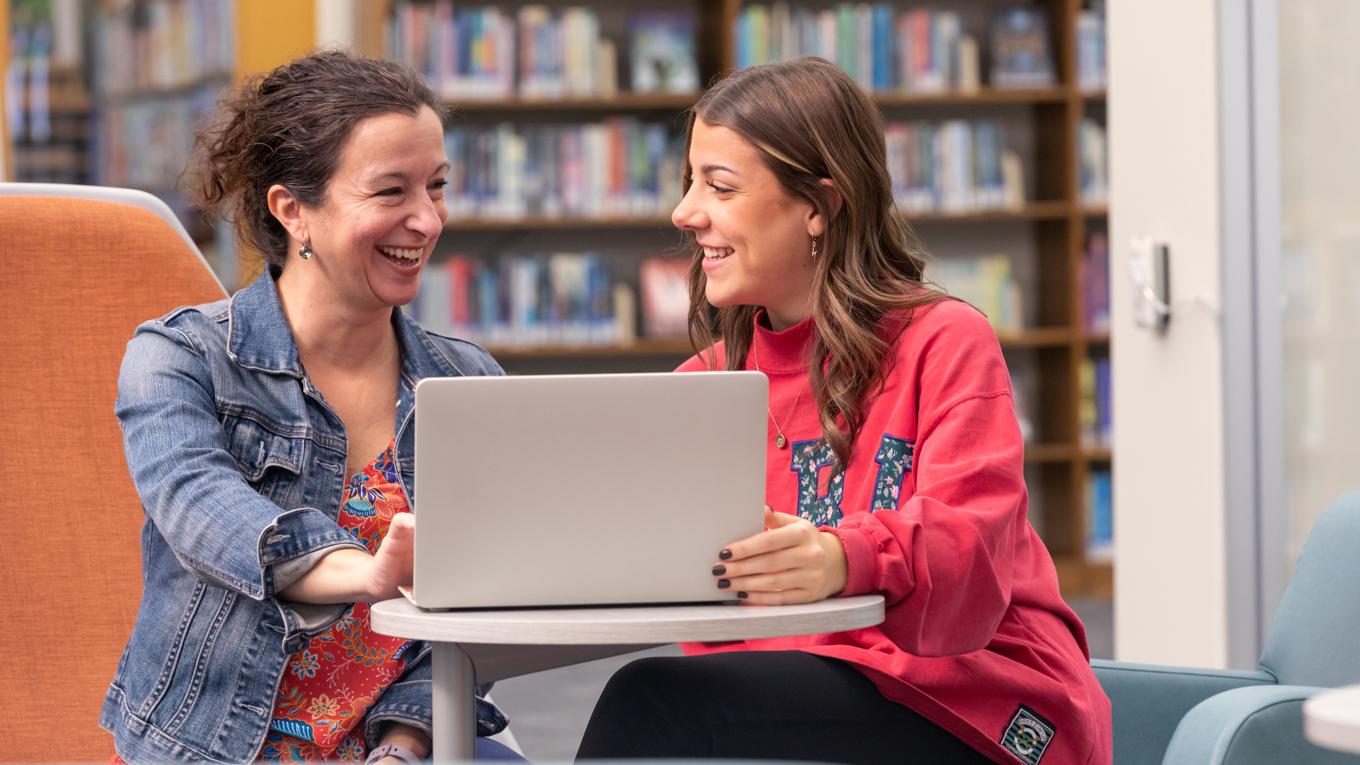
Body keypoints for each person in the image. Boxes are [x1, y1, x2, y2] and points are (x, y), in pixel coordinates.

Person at [575, 57, 1112, 765]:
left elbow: (969, 550)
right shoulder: (700, 387)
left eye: (720, 185)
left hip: (979, 703)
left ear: (817, 207)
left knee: (649, 699)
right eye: (689, 181)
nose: (685, 212)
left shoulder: (944, 340)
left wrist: (842, 555)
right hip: (804, 697)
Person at [101, 51, 518, 764]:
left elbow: (469, 623)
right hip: (218, 748)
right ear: (293, 209)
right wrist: (368, 573)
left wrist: (402, 745)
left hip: (406, 744)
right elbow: (206, 510)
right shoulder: (181, 358)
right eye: (391, 191)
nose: (427, 219)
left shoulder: (467, 379)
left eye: (438, 187)